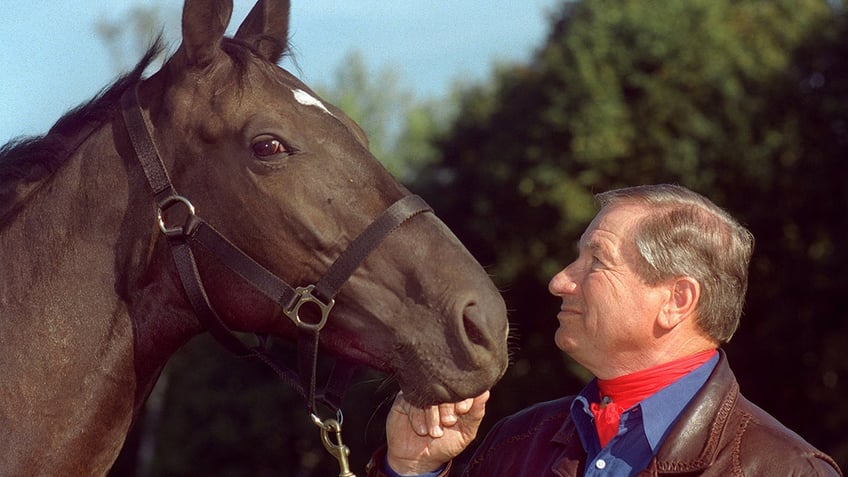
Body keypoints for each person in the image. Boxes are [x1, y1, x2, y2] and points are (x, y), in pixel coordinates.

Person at [366, 184, 843, 476]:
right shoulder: (514, 443)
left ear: (676, 301)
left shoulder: (784, 470)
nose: (559, 281)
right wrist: (410, 468)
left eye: (597, 260)